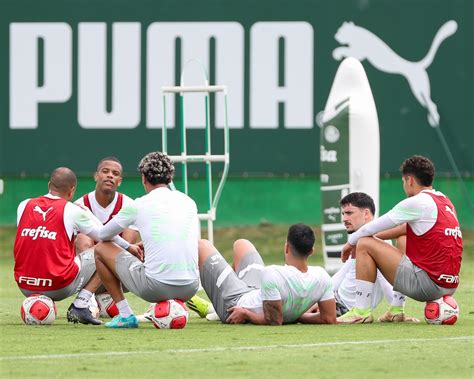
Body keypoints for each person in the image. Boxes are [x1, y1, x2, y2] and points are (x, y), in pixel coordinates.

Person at [338, 155, 463, 323]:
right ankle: (396, 310)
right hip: (450, 286)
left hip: (428, 287)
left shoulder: (417, 202)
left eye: (403, 181)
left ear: (409, 180)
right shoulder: (445, 201)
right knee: (402, 237)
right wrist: (372, 238)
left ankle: (361, 311)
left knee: (364, 243)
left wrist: (351, 242)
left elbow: (372, 226)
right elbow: (403, 229)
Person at [13, 167, 138, 325]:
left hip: (24, 286)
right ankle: (82, 304)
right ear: (72, 191)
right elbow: (104, 235)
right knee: (105, 250)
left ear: (49, 185)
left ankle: (92, 301)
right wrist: (128, 247)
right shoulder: (72, 210)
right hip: (59, 287)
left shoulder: (23, 205)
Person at [94, 152, 200, 328]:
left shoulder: (138, 204)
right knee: (203, 245)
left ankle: (126, 315)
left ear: (144, 178)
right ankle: (186, 306)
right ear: (170, 178)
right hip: (191, 287)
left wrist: (128, 247)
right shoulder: (189, 202)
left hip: (155, 288)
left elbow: (103, 235)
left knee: (101, 249)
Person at [198, 224, 337, 325]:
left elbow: (274, 321)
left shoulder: (272, 272)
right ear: (312, 250)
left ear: (286, 247)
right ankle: (218, 302)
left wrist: (246, 314)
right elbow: (329, 319)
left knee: (202, 245)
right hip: (257, 291)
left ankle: (218, 306)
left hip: (236, 304)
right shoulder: (322, 276)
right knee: (242, 244)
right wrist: (298, 316)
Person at [324, 192, 418, 322]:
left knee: (298, 315)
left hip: (342, 307)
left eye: (349, 213)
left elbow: (385, 282)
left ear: (366, 213)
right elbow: (340, 276)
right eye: (343, 214)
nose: (344, 218)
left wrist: (397, 310)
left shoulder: (375, 245)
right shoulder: (361, 242)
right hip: (335, 302)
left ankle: (362, 312)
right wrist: (320, 295)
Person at [74, 156, 138, 252]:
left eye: (115, 173)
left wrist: (101, 250)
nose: (110, 175)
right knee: (82, 239)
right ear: (96, 176)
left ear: (119, 181)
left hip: (116, 262)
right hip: (91, 262)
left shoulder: (129, 206)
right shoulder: (79, 205)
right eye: (105, 171)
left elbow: (128, 247)